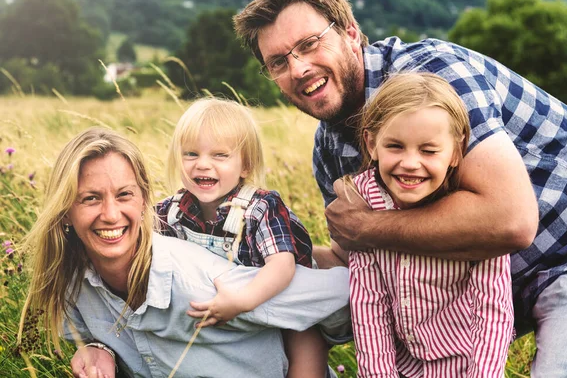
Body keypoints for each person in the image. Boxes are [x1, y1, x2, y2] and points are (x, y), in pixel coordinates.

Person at [234, 0, 567, 377]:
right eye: (279, 62)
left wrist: (369, 227)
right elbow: (354, 253)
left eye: (309, 44)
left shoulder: (430, 78)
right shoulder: (330, 148)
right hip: (495, 288)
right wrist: (261, 256)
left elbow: (512, 221)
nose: (299, 68)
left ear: (351, 34)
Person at [17, 127, 351, 378]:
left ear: (144, 201)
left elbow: (343, 295)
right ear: (65, 212)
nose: (110, 214)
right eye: (90, 198)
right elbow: (91, 332)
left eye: (124, 195)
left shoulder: (206, 283)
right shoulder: (72, 284)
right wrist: (96, 347)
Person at [348, 72, 513, 377]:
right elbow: (369, 304)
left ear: (455, 151)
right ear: (372, 144)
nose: (411, 162)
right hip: (404, 365)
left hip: (468, 365)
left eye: (428, 150)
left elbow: (493, 309)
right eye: (395, 146)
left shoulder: (473, 212)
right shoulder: (365, 201)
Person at [155, 97, 328, 377]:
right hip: (221, 312)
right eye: (190, 154)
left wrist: (243, 301)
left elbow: (282, 266)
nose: (202, 165)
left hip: (280, 296)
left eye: (219, 155)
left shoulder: (260, 208)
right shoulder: (171, 211)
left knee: (305, 339)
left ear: (245, 165)